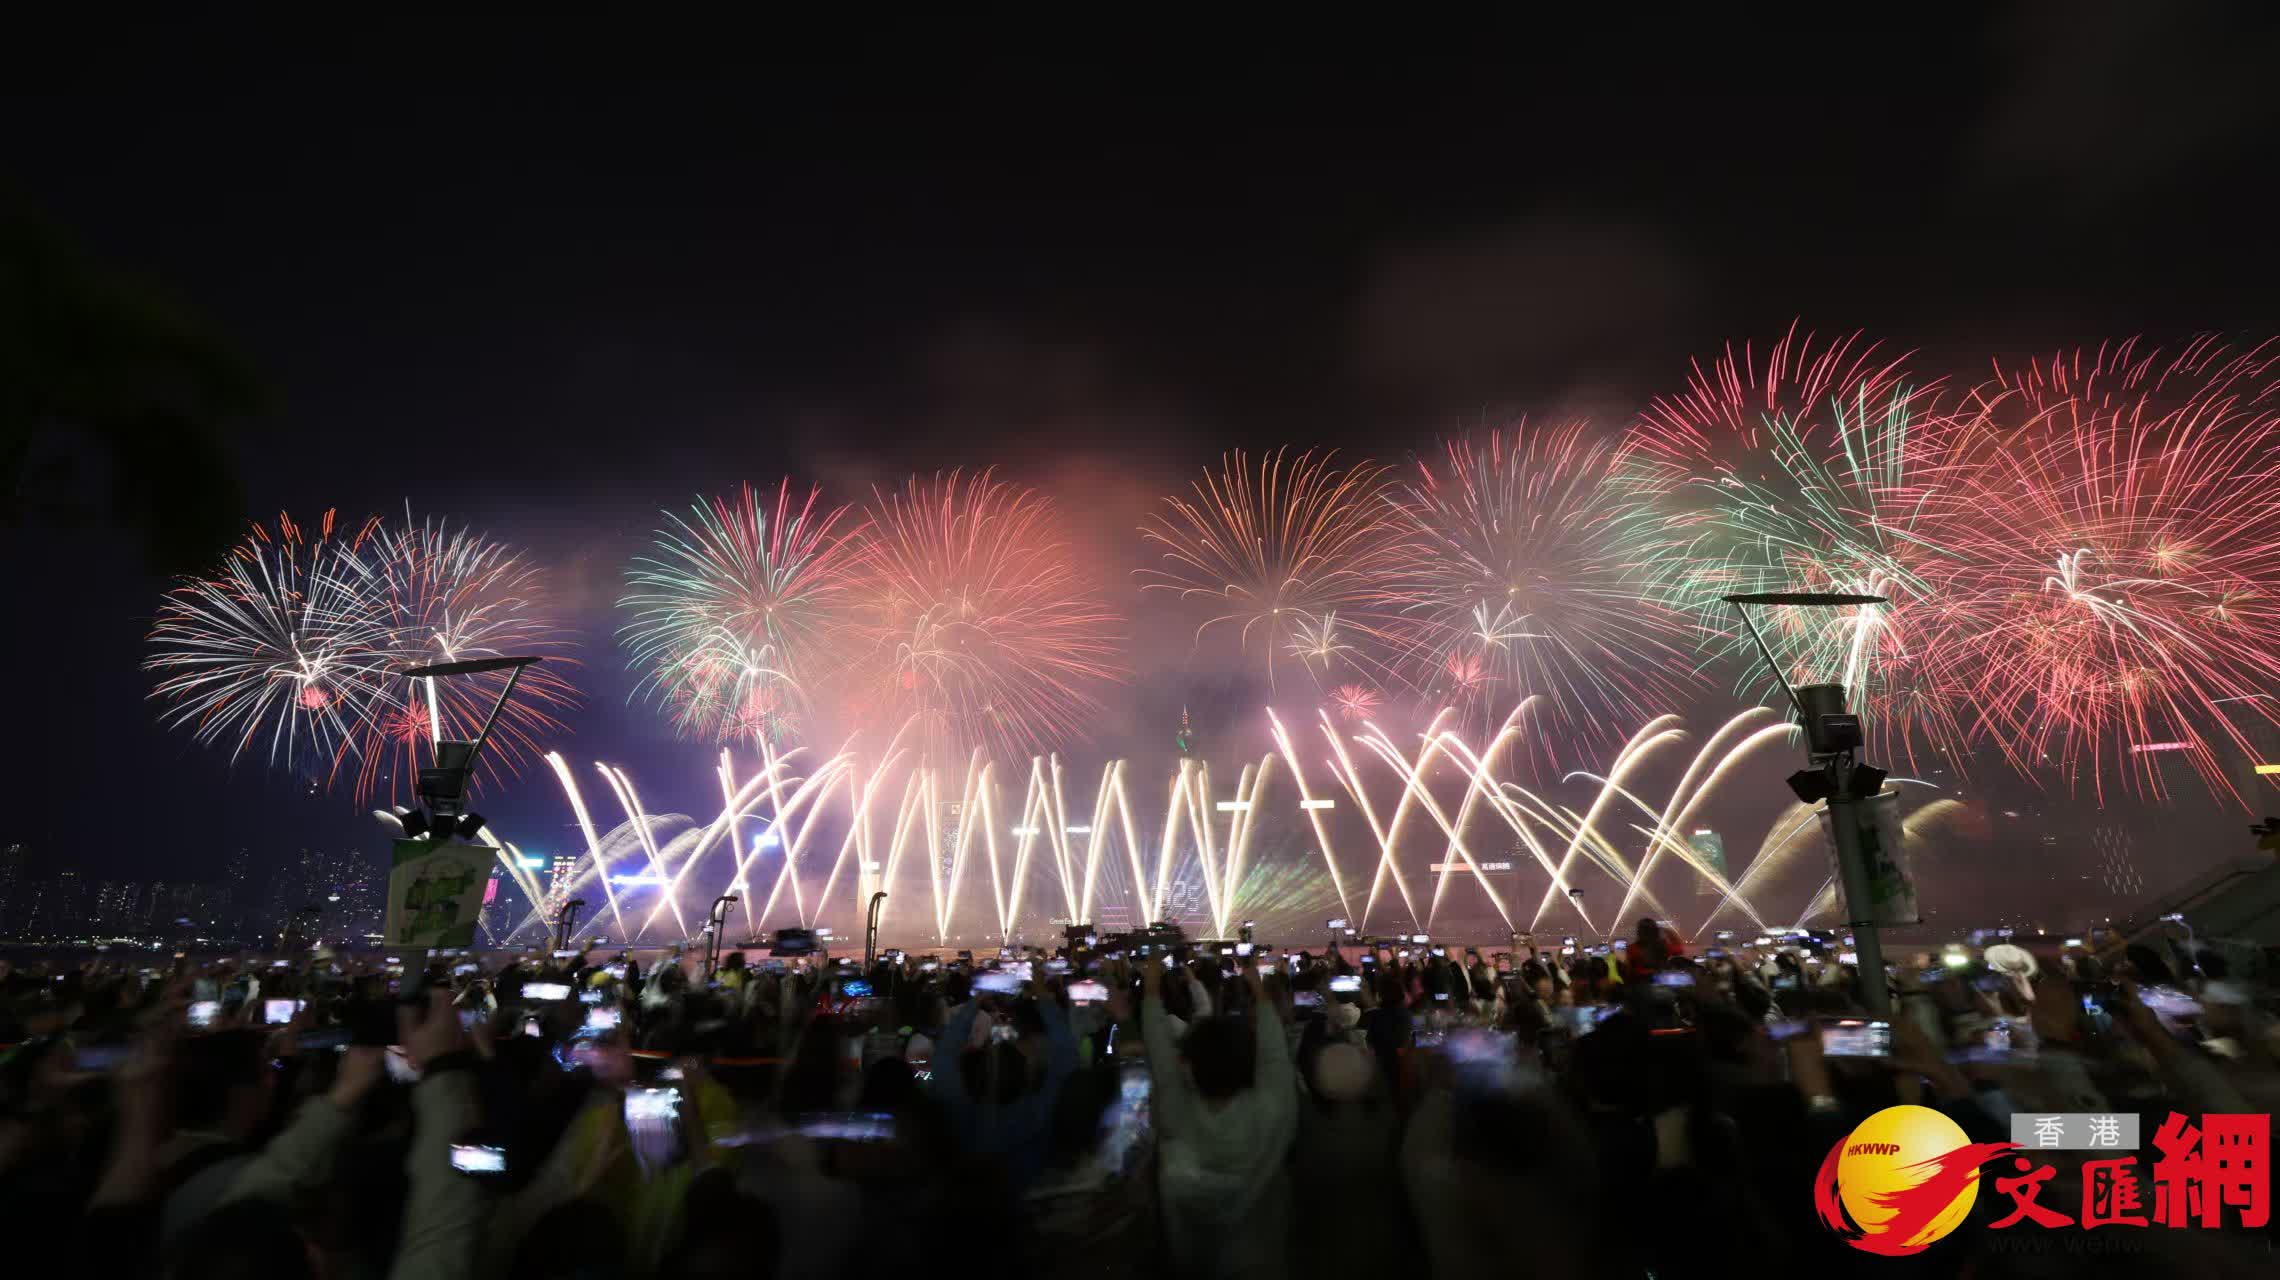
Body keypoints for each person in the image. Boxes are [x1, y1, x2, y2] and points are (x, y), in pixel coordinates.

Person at [1140, 951, 1296, 1280]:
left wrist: (1151, 990)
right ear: (1245, 1064)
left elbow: (1161, 1058)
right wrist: (1261, 994)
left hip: (1194, 1265)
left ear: (1192, 1071)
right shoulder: (1269, 1111)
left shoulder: (1176, 1115)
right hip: (1262, 1263)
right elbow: (1275, 1059)